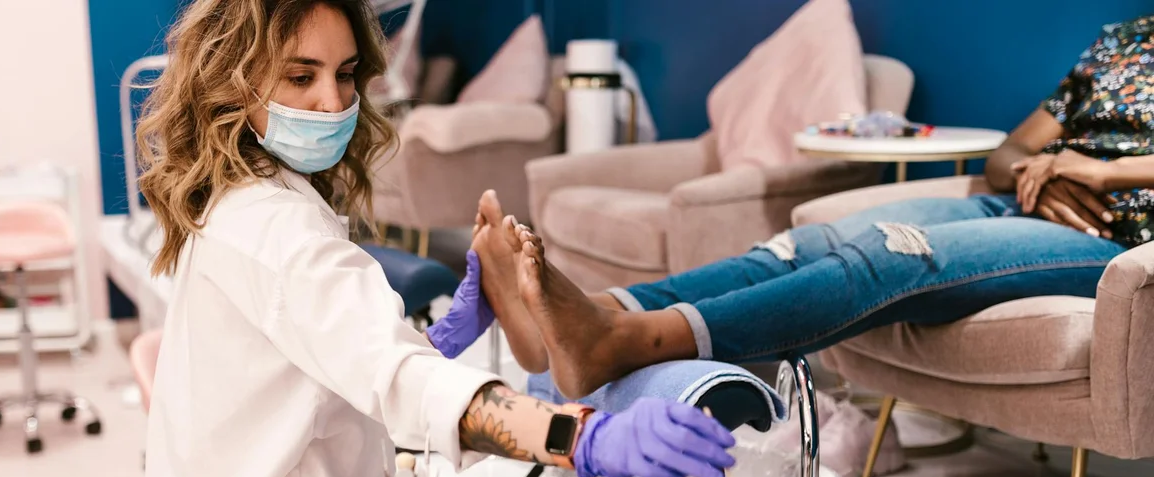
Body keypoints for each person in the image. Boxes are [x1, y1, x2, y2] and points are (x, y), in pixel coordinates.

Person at [135, 2, 737, 477]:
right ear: (232, 78)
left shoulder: (238, 199)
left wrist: (440, 338)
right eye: (299, 76)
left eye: (345, 75)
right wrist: (580, 436)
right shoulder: (276, 232)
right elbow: (395, 378)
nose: (330, 101)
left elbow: (328, 360)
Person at [477, 15, 1154, 400]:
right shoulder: (1121, 43)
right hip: (1025, 201)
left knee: (895, 254)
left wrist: (1102, 170)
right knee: (805, 243)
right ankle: (599, 312)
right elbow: (1008, 150)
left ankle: (628, 342)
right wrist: (1040, 166)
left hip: (1114, 240)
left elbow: (1088, 165)